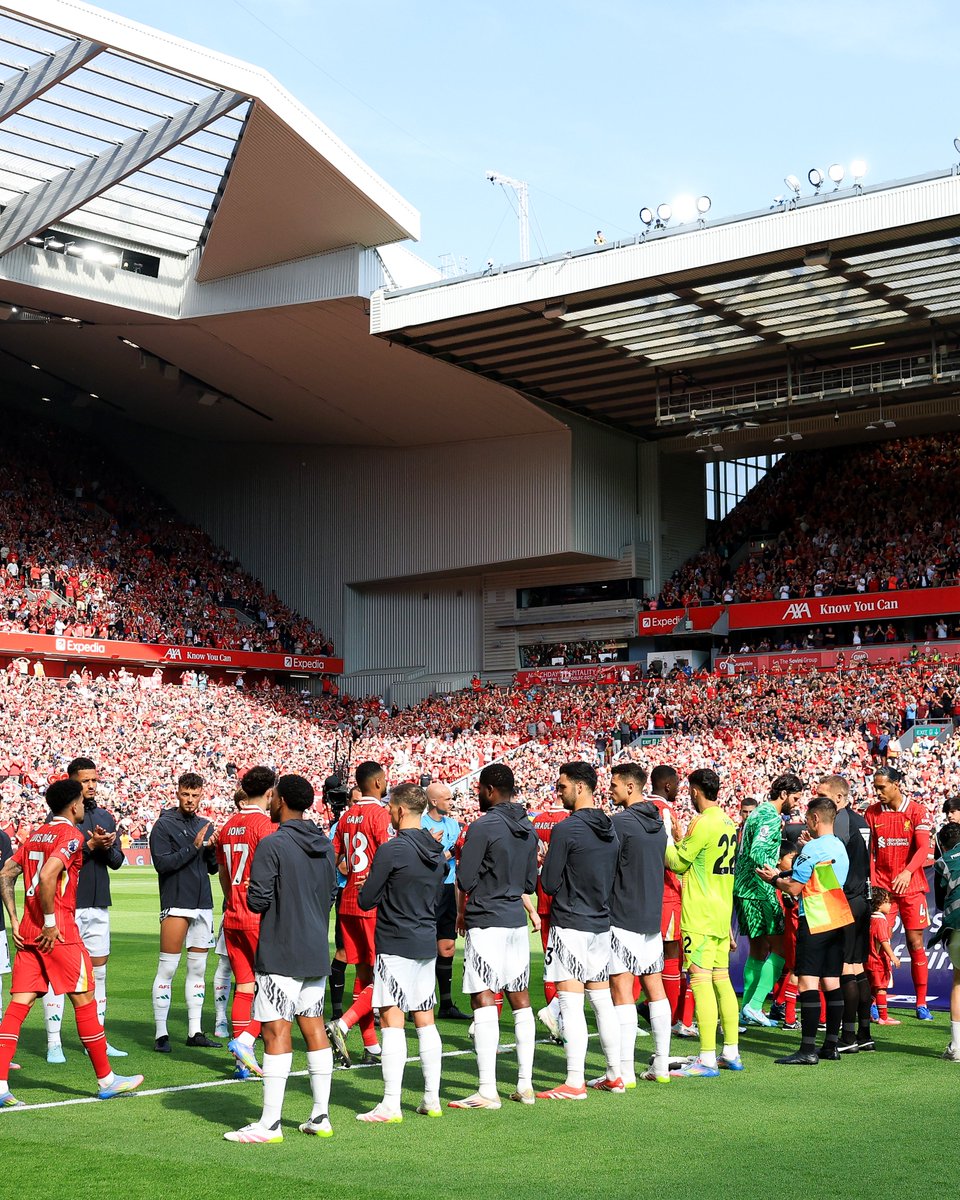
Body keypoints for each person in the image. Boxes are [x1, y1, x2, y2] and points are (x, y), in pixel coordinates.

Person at [0, 779, 143, 1107]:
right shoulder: (69, 835)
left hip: (27, 932)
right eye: (81, 799)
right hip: (59, 934)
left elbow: (6, 873)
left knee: (19, 1006)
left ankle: (0, 1085)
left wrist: (13, 919)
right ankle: (106, 1079)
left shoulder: (37, 834)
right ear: (74, 805)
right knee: (85, 999)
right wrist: (51, 922)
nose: (84, 804)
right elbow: (50, 875)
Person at [224, 774, 338, 1143]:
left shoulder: (272, 844)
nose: (270, 802)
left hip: (282, 949)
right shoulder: (324, 844)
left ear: (282, 800)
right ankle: (320, 1115)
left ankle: (270, 1123)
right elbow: (330, 895)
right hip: (315, 948)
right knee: (314, 1027)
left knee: (275, 1030)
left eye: (274, 798)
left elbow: (257, 900)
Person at [449, 763, 538, 1110]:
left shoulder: (483, 825)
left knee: (483, 998)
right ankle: (525, 1085)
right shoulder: (527, 827)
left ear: (488, 790)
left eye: (479, 790)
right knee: (520, 1000)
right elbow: (530, 883)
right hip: (516, 921)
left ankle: (488, 1090)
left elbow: (465, 878)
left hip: (487, 918)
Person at [356, 783, 446, 1122]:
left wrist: (372, 889)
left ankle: (391, 1104)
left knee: (392, 1019)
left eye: (391, 808)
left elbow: (367, 900)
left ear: (400, 811)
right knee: (425, 1019)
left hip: (395, 940)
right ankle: (431, 1099)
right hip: (425, 939)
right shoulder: (435, 849)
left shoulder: (393, 850)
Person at [536, 761, 621, 1101]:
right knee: (602, 1000)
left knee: (570, 1003)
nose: (559, 792)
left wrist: (546, 863)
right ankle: (615, 1072)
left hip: (571, 923)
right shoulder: (610, 827)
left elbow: (550, 882)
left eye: (562, 786)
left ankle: (574, 1081)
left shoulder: (567, 829)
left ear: (581, 787)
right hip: (601, 923)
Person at [758, 794, 851, 1065]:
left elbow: (796, 888)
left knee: (808, 982)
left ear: (814, 819)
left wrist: (774, 878)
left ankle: (807, 1049)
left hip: (814, 917)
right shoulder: (838, 846)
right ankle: (831, 1045)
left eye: (807, 819)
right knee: (832, 982)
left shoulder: (811, 850)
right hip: (838, 917)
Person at [664, 768, 742, 1078]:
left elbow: (678, 862)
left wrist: (666, 839)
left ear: (696, 791)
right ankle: (731, 1051)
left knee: (699, 980)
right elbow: (702, 858)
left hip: (699, 913)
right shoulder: (727, 822)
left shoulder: (702, 821)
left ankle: (707, 1058)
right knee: (722, 979)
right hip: (722, 912)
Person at [608, 763, 672, 1084]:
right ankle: (660, 1065)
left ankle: (624, 1071)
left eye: (615, 784)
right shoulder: (657, 822)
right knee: (654, 988)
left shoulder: (619, 823)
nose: (610, 789)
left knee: (622, 990)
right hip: (651, 915)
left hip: (622, 915)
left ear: (631, 787)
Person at [149, 772, 220, 1053]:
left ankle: (195, 1030)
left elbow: (212, 868)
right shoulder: (163, 825)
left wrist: (212, 850)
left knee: (198, 970)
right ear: (177, 793)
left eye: (195, 795)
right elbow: (162, 865)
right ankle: (161, 1033)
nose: (190, 800)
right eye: (185, 794)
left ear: (202, 795)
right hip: (177, 902)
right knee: (167, 967)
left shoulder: (206, 824)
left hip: (203, 904)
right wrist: (194, 847)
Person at [327, 761, 393, 1065]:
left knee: (364, 972)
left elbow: (335, 860)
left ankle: (371, 1046)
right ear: (378, 783)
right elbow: (390, 856)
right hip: (374, 904)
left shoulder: (345, 818)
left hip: (348, 900)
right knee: (383, 975)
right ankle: (343, 1023)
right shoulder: (381, 815)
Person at [217, 766, 276, 1078]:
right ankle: (246, 1041)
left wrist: (232, 899)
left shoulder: (228, 825)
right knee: (270, 985)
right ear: (269, 793)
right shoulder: (264, 826)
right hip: (257, 916)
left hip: (232, 915)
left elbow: (225, 876)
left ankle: (242, 1064)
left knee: (243, 985)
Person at [733, 772, 803, 1026]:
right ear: (783, 794)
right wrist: (778, 878)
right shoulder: (769, 817)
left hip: (745, 888)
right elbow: (759, 853)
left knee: (759, 949)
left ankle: (746, 1011)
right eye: (795, 797)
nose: (796, 803)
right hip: (759, 890)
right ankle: (753, 1004)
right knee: (782, 950)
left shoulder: (759, 813)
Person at [865, 766, 934, 1019]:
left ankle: (921, 1002)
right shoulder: (872, 812)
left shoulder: (917, 810)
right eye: (875, 787)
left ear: (896, 784)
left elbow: (924, 847)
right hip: (883, 890)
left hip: (911, 887)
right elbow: (870, 850)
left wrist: (907, 872)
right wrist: (873, 882)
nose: (878, 792)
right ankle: (875, 998)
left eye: (881, 787)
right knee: (878, 944)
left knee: (916, 943)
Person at [818, 774, 874, 1053]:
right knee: (858, 968)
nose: (817, 800)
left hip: (847, 899)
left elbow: (832, 861)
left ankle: (848, 1037)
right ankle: (864, 1033)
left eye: (823, 795)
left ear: (839, 798)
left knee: (844, 969)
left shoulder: (839, 820)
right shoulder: (861, 821)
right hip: (863, 898)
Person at [420, 782, 468, 1020]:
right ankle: (419, 1002)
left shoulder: (452, 825)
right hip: (427, 889)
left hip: (448, 889)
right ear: (434, 801)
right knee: (425, 947)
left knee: (447, 946)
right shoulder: (421, 824)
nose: (452, 802)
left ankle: (446, 1003)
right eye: (447, 799)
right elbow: (426, 859)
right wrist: (450, 851)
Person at [531, 794, 569, 1042]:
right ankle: (559, 1017)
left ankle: (556, 1020)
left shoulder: (537, 820)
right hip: (565, 897)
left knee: (550, 961)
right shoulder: (568, 819)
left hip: (542, 893)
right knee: (570, 966)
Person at [649, 765, 685, 1025]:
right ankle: (671, 1018)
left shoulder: (634, 807)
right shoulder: (665, 811)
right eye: (678, 784)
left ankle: (644, 1009)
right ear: (668, 785)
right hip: (666, 892)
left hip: (640, 892)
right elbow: (670, 858)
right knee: (671, 954)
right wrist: (682, 842)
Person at [932, 822, 960, 1061]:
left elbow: (940, 903)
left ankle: (957, 1047)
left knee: (959, 982)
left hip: (956, 926)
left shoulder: (942, 862)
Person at [865, 887, 901, 1026]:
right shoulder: (880, 921)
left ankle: (866, 1013)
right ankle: (883, 1017)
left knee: (871, 989)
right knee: (881, 989)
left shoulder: (870, 919)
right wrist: (892, 956)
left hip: (868, 960)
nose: (890, 904)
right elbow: (883, 940)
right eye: (887, 901)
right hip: (878, 961)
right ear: (879, 904)